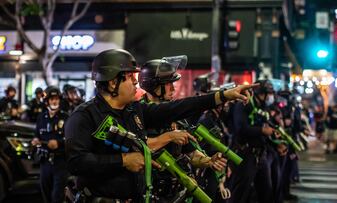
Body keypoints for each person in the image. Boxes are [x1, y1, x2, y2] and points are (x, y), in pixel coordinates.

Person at [64, 49, 256, 201]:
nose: (136, 83)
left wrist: (223, 96)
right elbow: (76, 162)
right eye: (130, 77)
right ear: (113, 83)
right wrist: (123, 160)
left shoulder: (133, 111)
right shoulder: (84, 116)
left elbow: (178, 108)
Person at [139, 57, 227, 202]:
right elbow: (136, 146)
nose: (173, 88)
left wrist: (208, 161)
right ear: (152, 86)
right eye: (168, 84)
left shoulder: (176, 118)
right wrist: (169, 136)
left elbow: (191, 153)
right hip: (148, 194)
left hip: (176, 193)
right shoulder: (137, 113)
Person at [228, 80, 285, 203]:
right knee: (240, 192)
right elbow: (240, 129)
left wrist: (277, 144)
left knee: (266, 191)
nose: (270, 97)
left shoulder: (263, 108)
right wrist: (262, 130)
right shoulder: (244, 104)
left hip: (261, 154)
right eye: (267, 93)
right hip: (245, 154)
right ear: (260, 93)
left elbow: (267, 129)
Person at [31, 86, 69, 203]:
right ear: (47, 101)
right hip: (44, 162)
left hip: (60, 163)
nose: (54, 101)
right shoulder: (41, 117)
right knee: (46, 195)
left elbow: (72, 140)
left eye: (57, 99)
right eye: (52, 99)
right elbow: (37, 134)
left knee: (57, 197)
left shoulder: (66, 117)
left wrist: (59, 143)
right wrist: (35, 140)